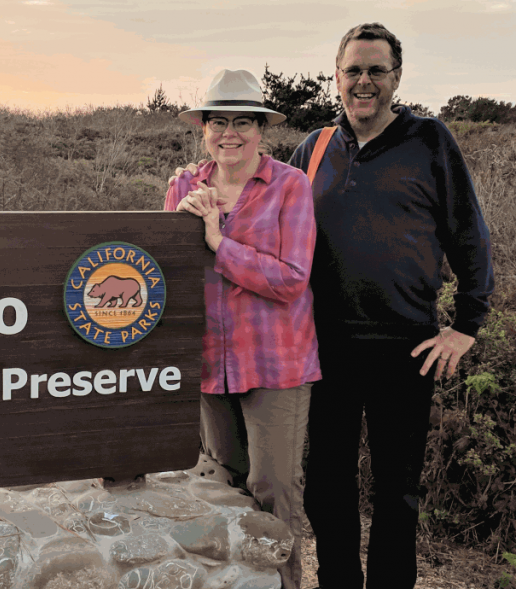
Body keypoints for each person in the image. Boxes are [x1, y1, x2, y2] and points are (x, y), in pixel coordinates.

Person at [174, 24, 495, 589]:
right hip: (323, 346)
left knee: (397, 491)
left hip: (407, 345)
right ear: (337, 77)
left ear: (396, 76)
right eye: (353, 71)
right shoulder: (315, 148)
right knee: (326, 487)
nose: (364, 81)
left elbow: (469, 234)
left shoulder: (430, 140)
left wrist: (466, 325)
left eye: (376, 70)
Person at [164, 68, 321, 589]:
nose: (229, 133)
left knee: (273, 486)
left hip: (275, 361)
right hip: (209, 360)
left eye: (243, 122)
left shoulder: (289, 186)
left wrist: (217, 244)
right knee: (219, 483)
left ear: (261, 129)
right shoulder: (185, 185)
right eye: (218, 122)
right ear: (203, 128)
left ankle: (286, 582)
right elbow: (164, 275)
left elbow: (292, 279)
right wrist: (180, 231)